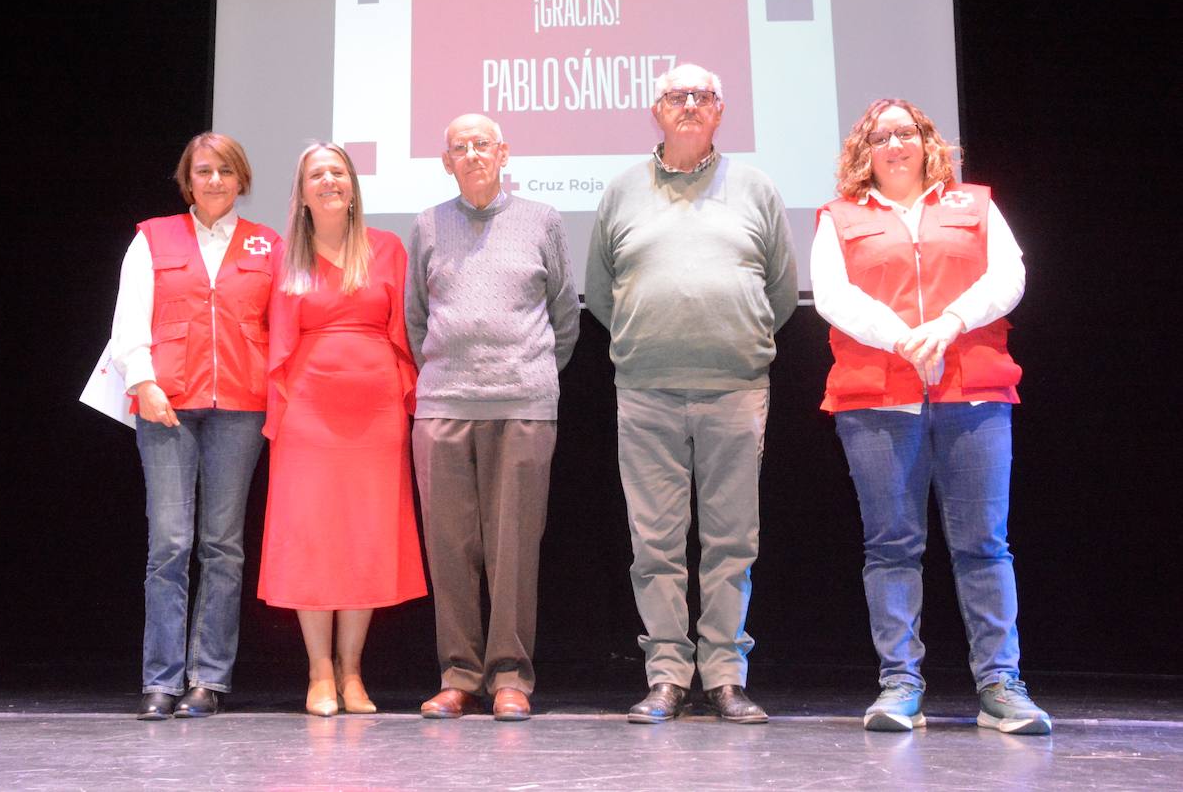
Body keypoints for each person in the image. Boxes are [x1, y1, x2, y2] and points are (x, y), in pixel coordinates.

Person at [811, 98, 1051, 735]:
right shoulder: (838, 218)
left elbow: (1011, 274)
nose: (895, 144)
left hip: (971, 393)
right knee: (891, 547)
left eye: (906, 132)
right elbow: (832, 296)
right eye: (881, 136)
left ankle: (1001, 685)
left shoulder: (973, 206)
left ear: (926, 142)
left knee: (984, 546)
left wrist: (947, 324)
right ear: (865, 151)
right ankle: (900, 685)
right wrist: (901, 338)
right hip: (877, 400)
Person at [585, 63, 797, 724]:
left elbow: (783, 292)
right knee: (656, 542)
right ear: (656, 109)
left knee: (733, 539)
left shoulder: (756, 187)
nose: (689, 105)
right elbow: (599, 291)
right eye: (677, 96)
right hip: (646, 387)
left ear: (720, 110)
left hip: (734, 387)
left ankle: (726, 676)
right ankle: (668, 676)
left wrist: (735, 335)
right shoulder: (622, 190)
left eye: (702, 96)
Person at [405, 114, 580, 721]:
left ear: (504, 153)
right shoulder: (427, 224)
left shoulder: (542, 220)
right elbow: (416, 318)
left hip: (523, 406)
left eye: (483, 144)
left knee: (514, 550)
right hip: (444, 407)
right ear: (446, 159)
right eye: (460, 146)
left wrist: (530, 375)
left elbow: (565, 315)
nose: (473, 153)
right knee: (449, 548)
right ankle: (458, 676)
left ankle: (511, 677)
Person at [110, 132, 280, 720]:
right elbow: (129, 316)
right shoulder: (151, 237)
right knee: (170, 544)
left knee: (222, 547)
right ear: (188, 180)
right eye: (203, 171)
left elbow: (283, 324)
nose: (214, 181)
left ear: (242, 180)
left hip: (240, 406)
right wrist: (142, 379)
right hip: (166, 404)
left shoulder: (268, 245)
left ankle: (208, 679)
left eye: (225, 172)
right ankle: (160, 679)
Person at [257, 142, 427, 717]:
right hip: (308, 410)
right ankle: (320, 672)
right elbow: (274, 336)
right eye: (316, 175)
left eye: (338, 172)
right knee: (313, 537)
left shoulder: (387, 248)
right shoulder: (286, 256)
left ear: (352, 185)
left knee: (363, 537)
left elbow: (406, 330)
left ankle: (354, 673)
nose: (329, 181)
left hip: (375, 413)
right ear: (302, 193)